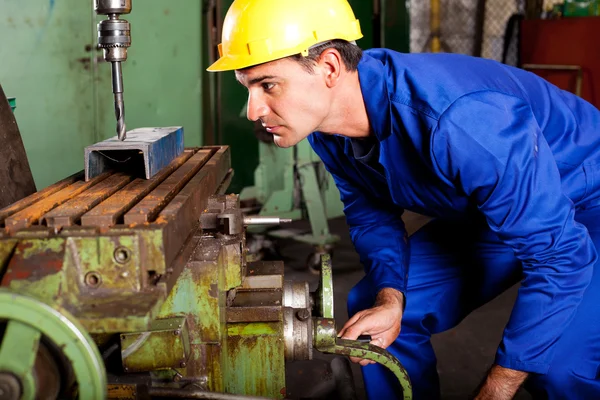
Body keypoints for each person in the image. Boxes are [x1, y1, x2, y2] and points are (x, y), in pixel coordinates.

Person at [208, 0, 600, 399]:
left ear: (328, 67)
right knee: (375, 311)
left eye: (268, 85)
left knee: (559, 366)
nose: (253, 110)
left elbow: (560, 256)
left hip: (587, 205)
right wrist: (391, 297)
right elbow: (372, 216)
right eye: (248, 88)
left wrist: (497, 387)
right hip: (503, 210)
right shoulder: (331, 129)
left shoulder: (459, 120)